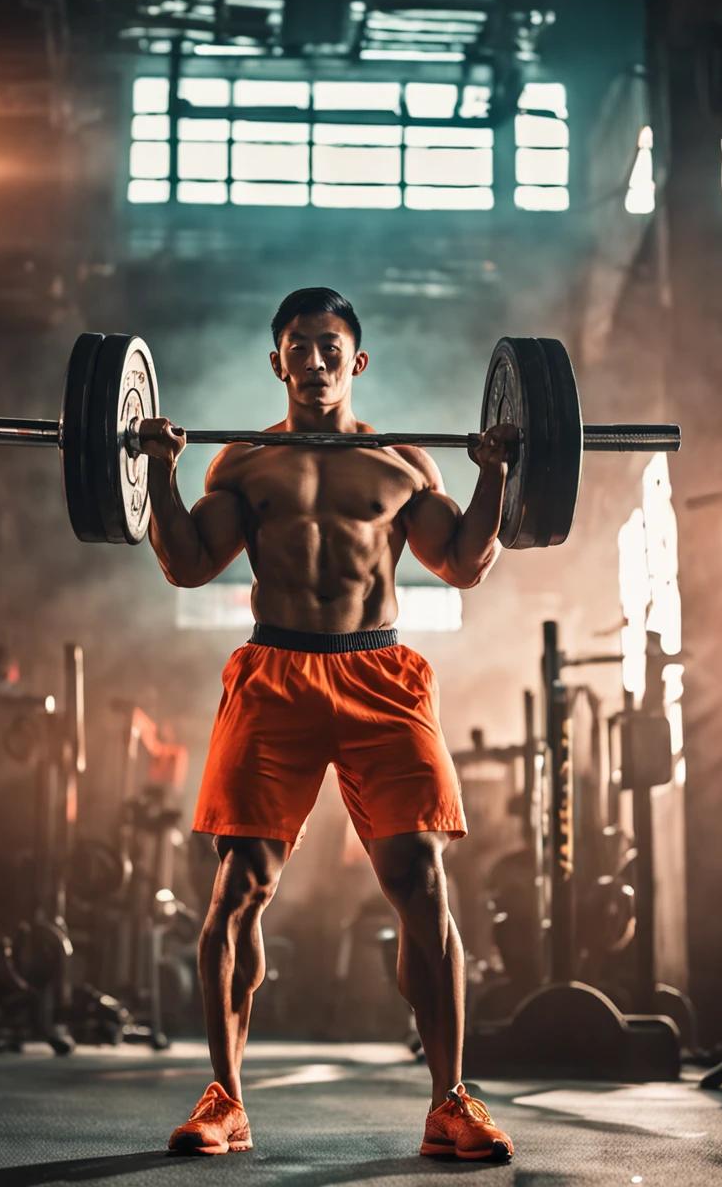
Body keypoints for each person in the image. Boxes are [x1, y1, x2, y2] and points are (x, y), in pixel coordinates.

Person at [141, 287, 515, 1164]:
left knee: (421, 883)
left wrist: (496, 472)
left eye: (330, 347)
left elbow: (462, 564)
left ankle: (449, 1100)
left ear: (358, 359)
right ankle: (225, 1098)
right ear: (277, 362)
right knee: (238, 889)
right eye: (299, 348)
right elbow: (189, 566)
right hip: (277, 673)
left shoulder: (401, 463)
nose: (314, 362)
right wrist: (156, 468)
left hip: (378, 673)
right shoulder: (244, 463)